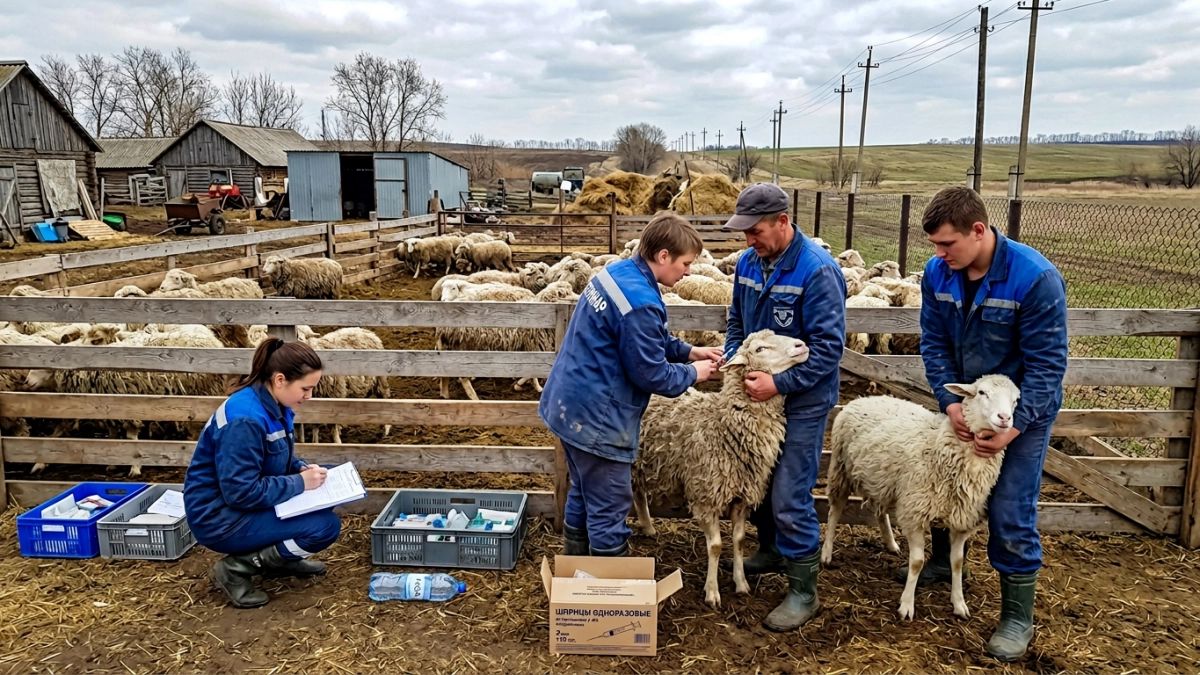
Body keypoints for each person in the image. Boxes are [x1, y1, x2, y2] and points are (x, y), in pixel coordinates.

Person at [917, 186, 1068, 661]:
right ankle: (941, 563)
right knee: (941, 481)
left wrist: (1014, 425)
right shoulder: (938, 274)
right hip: (967, 402)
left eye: (947, 245)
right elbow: (934, 342)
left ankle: (1017, 617)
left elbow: (1047, 365)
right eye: (935, 247)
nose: (939, 255)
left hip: (1020, 412)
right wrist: (950, 403)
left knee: (1009, 507)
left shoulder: (1034, 278)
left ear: (978, 230)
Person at [539, 212, 724, 557]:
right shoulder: (641, 302)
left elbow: (640, 339)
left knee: (582, 489)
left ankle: (576, 573)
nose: (688, 271)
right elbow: (652, 374)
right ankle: (606, 595)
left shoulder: (616, 273)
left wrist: (688, 351)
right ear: (663, 256)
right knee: (610, 504)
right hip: (598, 419)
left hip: (568, 404)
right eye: (685, 263)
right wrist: (695, 372)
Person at [721, 183, 846, 632]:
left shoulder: (818, 272)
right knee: (756, 477)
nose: (748, 240)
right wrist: (735, 359)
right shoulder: (748, 264)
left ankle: (802, 591)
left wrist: (778, 382)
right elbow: (737, 319)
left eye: (754, 231)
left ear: (782, 222)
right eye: (744, 233)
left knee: (790, 490)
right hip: (757, 396)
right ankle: (771, 551)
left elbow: (829, 350)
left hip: (803, 400)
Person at [184, 338, 341, 609]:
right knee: (324, 527)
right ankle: (236, 569)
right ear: (280, 379)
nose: (309, 396)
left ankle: (279, 558)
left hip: (236, 505)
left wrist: (299, 468)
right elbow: (240, 492)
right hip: (219, 517)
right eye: (306, 388)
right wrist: (299, 483)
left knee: (327, 485)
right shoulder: (245, 420)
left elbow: (272, 456)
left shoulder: (272, 404)